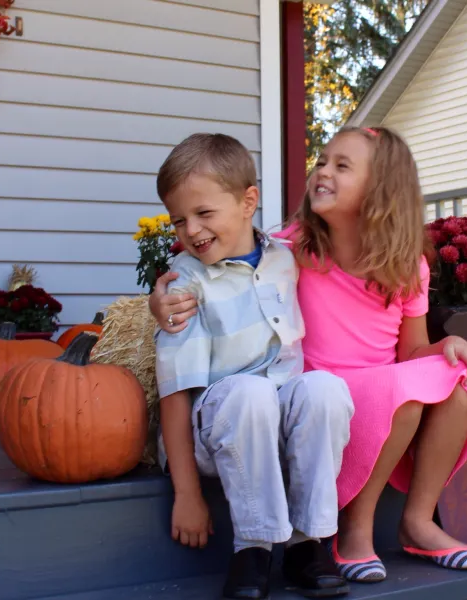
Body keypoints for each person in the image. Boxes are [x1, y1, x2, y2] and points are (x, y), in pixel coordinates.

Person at [151, 126, 467, 584]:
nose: (322, 171)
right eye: (322, 161)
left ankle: (400, 524)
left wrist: (450, 344)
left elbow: (411, 350)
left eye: (341, 165)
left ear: (380, 189)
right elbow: (230, 264)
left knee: (454, 382)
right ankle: (322, 538)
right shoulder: (295, 247)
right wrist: (159, 300)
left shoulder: (395, 263)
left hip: (348, 394)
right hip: (281, 401)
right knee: (387, 390)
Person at [152, 132, 355, 599]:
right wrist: (187, 494)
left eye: (204, 213)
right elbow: (174, 392)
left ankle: (311, 542)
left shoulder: (286, 257)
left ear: (249, 202)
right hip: (218, 428)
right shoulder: (184, 286)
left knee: (324, 389)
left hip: (276, 420)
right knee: (250, 391)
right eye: (179, 219)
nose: (191, 230)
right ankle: (254, 548)